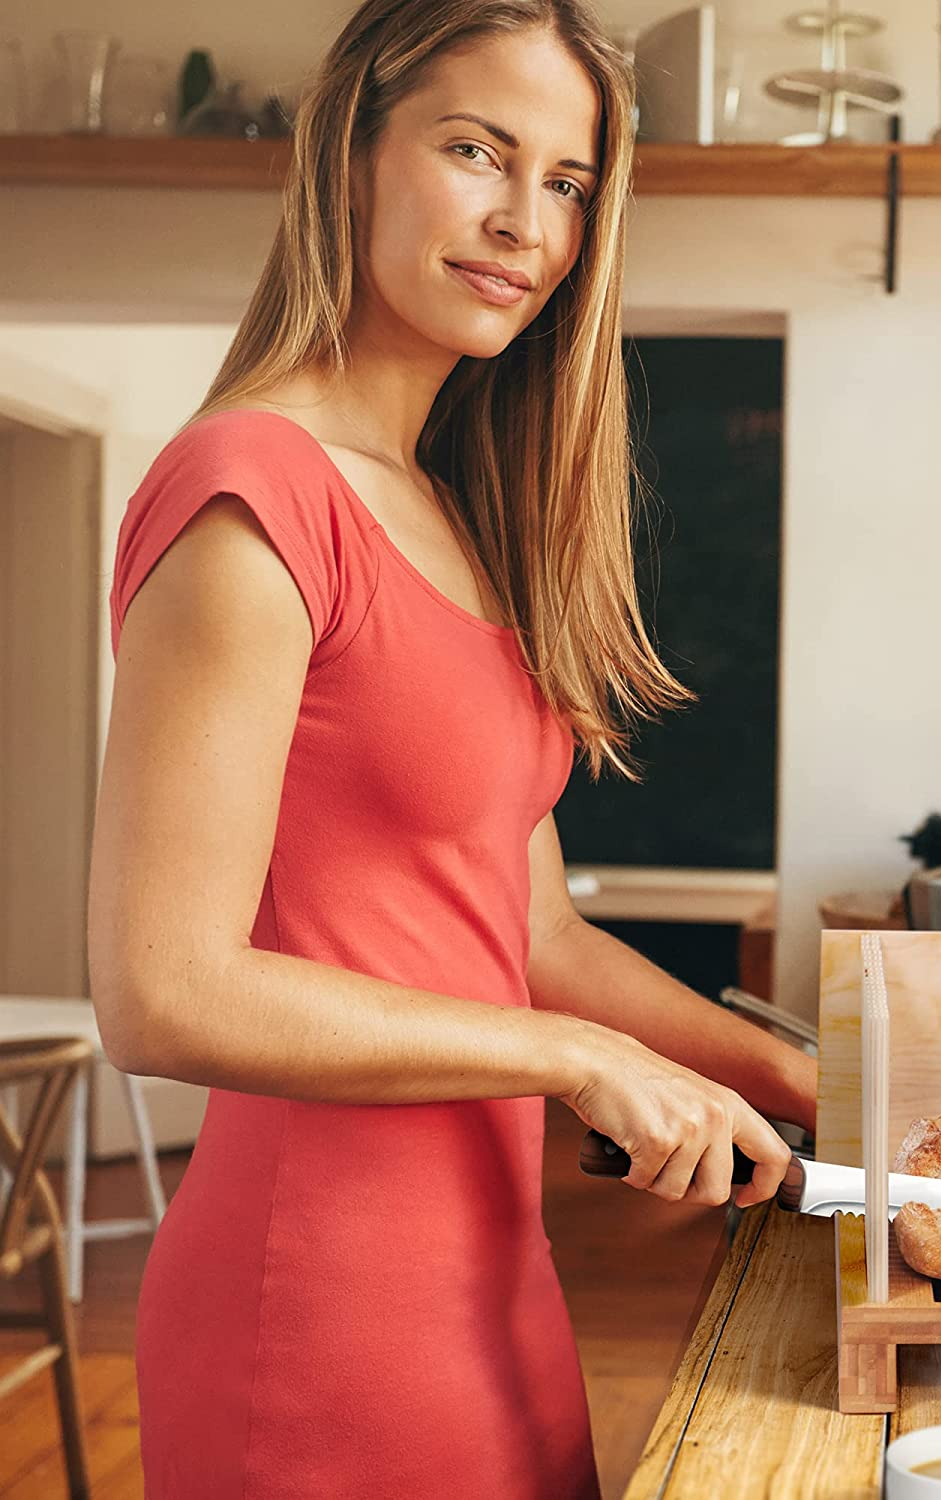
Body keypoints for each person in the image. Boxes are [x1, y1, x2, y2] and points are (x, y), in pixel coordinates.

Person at [86, 3, 814, 1495]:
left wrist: (811, 1086)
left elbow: (526, 925)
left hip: (485, 1280)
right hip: (315, 1316)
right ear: (349, 149)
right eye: (475, 149)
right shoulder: (249, 496)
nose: (521, 224)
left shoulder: (446, 505)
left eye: (566, 183)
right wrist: (579, 1062)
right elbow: (162, 991)